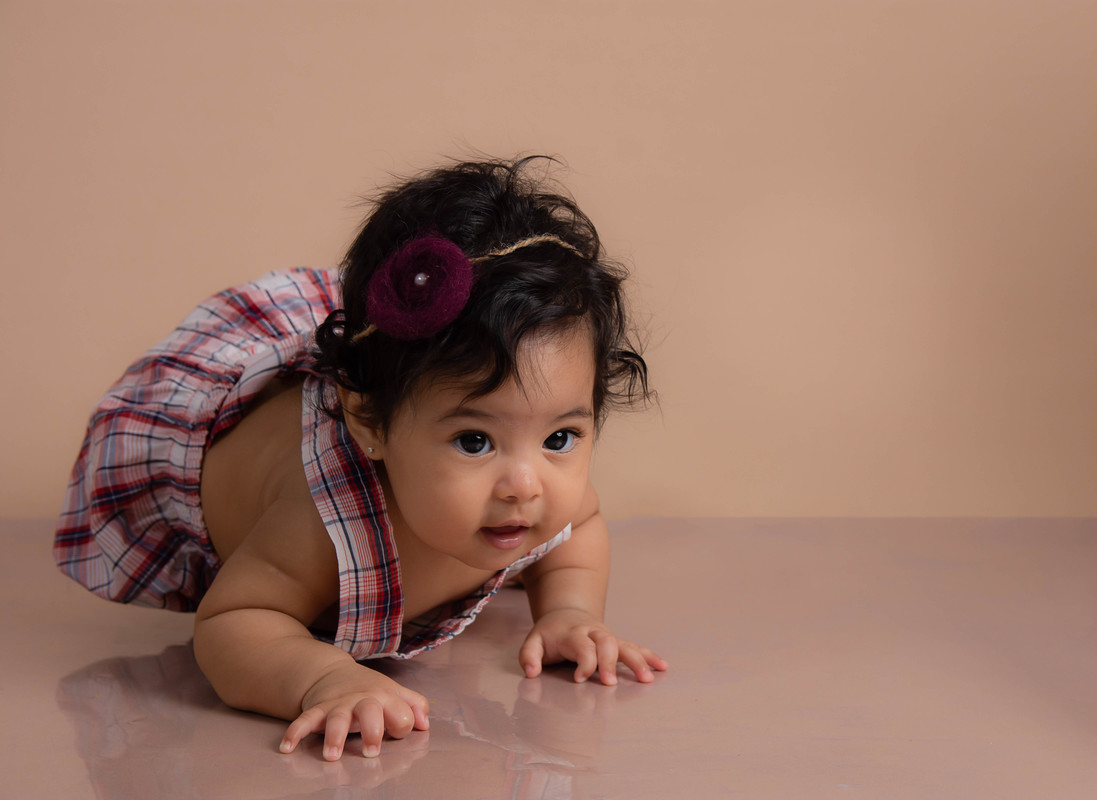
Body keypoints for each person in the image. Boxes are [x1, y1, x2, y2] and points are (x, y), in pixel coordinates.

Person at [55, 156, 668, 762]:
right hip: (213, 445)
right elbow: (232, 622)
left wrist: (568, 612)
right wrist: (324, 677)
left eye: (559, 438)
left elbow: (579, 528)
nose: (525, 486)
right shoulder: (319, 521)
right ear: (369, 423)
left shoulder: (530, 494)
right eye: (474, 441)